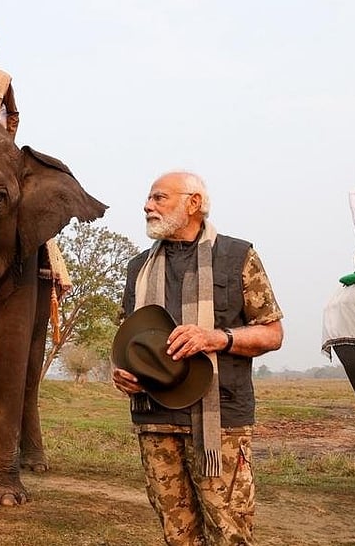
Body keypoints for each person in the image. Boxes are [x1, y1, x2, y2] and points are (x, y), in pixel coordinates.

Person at [112, 171, 284, 545]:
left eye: (159, 198)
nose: (147, 206)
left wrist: (217, 338)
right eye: (149, 198)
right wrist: (120, 372)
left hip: (219, 421)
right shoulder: (137, 268)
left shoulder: (238, 256)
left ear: (193, 204)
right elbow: (126, 339)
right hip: (155, 419)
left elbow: (272, 333)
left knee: (230, 531)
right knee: (177, 535)